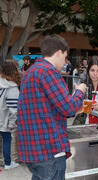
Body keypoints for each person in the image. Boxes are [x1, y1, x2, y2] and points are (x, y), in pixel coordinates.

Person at [17, 35, 87, 180]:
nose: (65, 62)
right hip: (49, 149)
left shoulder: (30, 72)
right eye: (65, 57)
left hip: (33, 150)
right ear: (59, 53)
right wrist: (80, 91)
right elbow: (68, 108)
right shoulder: (48, 72)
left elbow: (47, 108)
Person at [0, 60, 21, 170]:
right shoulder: (12, 88)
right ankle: (8, 163)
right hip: (4, 119)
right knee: (7, 139)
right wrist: (12, 122)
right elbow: (14, 109)